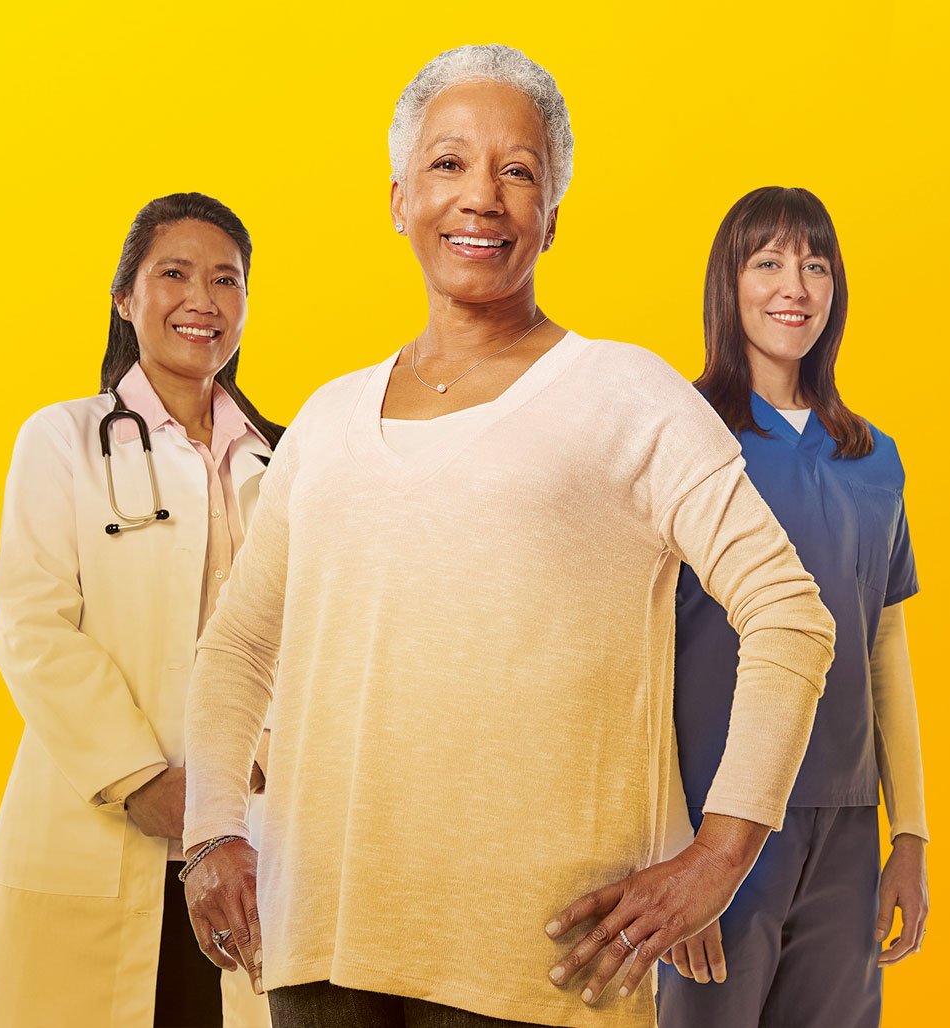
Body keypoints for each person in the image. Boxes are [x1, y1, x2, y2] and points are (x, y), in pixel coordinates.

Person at [177, 44, 837, 1028]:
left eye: (516, 171)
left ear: (553, 216)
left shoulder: (626, 394)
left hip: (537, 960)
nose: (480, 196)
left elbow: (789, 611)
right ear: (398, 198)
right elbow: (238, 644)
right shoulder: (325, 419)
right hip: (319, 944)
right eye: (449, 164)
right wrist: (212, 830)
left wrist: (719, 854)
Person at [0, 192, 284, 1028]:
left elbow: (313, 641)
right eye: (175, 274)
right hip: (101, 830)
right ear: (126, 297)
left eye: (226, 280)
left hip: (249, 832)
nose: (203, 299)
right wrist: (143, 780)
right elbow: (34, 626)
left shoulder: (286, 460)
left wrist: (250, 771)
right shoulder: (62, 441)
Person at [656, 186, 930, 1028]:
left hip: (846, 827)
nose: (795, 287)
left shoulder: (872, 456)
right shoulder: (684, 434)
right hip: (717, 819)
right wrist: (672, 846)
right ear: (727, 285)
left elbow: (884, 646)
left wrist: (910, 834)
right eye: (767, 262)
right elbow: (636, 650)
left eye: (816, 265)